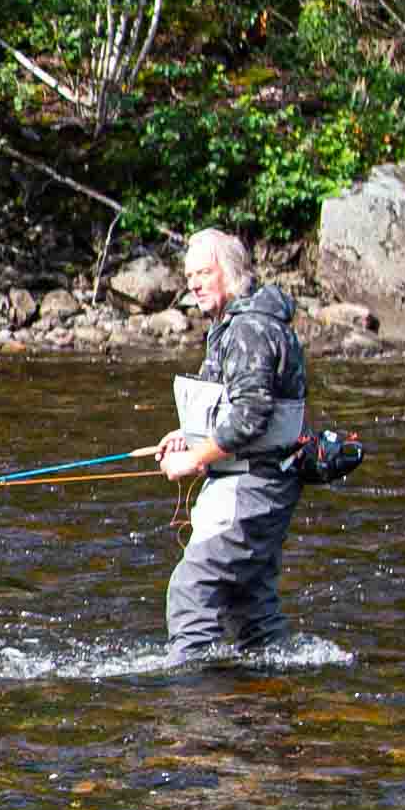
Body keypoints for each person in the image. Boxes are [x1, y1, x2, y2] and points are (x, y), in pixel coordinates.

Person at [149, 227, 314, 665]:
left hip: (254, 485)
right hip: (259, 482)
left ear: (232, 271)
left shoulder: (248, 330)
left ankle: (189, 690)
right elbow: (233, 406)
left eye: (204, 272)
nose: (195, 284)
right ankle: (272, 688)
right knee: (249, 604)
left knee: (192, 588)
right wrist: (187, 435)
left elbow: (250, 417)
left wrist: (194, 460)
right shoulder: (236, 326)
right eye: (189, 277)